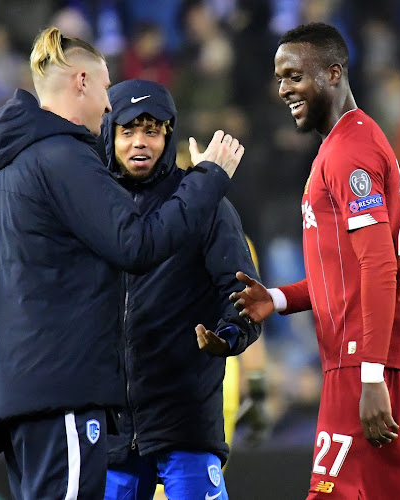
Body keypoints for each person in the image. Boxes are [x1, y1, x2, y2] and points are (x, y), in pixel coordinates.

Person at [0, 28, 245, 500]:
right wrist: (210, 178)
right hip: (66, 395)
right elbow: (136, 245)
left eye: (152, 129)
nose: (104, 107)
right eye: (105, 92)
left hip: (16, 393)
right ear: (81, 81)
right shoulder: (63, 157)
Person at [230, 23, 400, 499]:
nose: (283, 90)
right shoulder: (351, 143)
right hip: (387, 360)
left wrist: (370, 376)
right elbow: (343, 271)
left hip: (365, 363)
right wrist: (278, 298)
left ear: (333, 73)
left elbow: (379, 266)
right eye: (279, 78)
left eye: (294, 76)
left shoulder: (349, 152)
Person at [98, 79, 262, 500]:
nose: (139, 143)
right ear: (109, 133)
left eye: (151, 131)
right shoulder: (91, 206)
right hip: (110, 430)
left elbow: (242, 295)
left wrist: (228, 337)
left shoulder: (208, 205)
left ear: (168, 135)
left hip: (186, 422)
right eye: (128, 131)